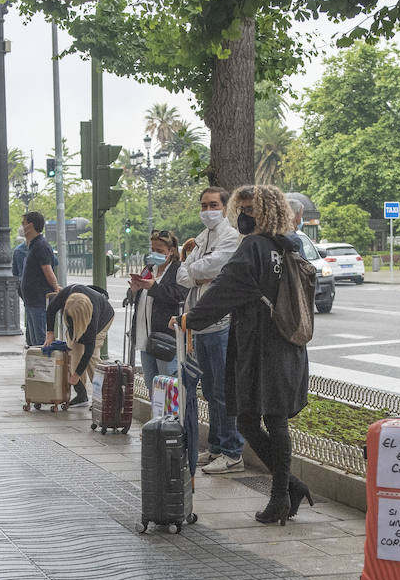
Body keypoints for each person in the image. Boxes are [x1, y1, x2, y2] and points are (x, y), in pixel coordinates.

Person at [183, 184, 313, 525]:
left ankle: (281, 496)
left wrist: (190, 318)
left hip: (261, 347)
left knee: (263, 419)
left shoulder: (254, 247)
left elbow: (225, 288)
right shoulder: (288, 248)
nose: (241, 216)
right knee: (264, 418)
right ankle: (290, 488)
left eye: (248, 210)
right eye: (240, 209)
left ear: (264, 213)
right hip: (287, 345)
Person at [176, 187, 245, 475]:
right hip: (200, 324)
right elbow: (182, 274)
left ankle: (232, 452)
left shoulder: (230, 237)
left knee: (222, 391)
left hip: (221, 323)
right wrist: (199, 275)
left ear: (225, 207)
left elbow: (218, 266)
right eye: (203, 205)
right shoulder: (202, 238)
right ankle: (216, 447)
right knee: (210, 390)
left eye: (213, 205)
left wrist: (197, 272)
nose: (207, 210)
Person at [128, 229, 186, 388]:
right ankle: (157, 412)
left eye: (160, 251)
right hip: (144, 336)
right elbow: (137, 297)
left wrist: (154, 287)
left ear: (171, 251)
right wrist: (134, 290)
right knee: (150, 382)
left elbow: (179, 296)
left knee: (167, 383)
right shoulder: (149, 269)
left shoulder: (179, 270)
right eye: (153, 250)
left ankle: (172, 414)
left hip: (165, 338)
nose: (155, 254)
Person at [44, 284, 114, 407]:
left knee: (92, 357)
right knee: (74, 353)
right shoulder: (66, 294)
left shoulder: (93, 318)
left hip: (104, 318)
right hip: (79, 315)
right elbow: (51, 309)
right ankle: (81, 395)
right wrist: (50, 333)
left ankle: (104, 396)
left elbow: (88, 351)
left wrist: (76, 375)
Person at [20, 211, 61, 347]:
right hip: (31, 301)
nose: (21, 227)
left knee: (40, 340)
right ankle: (35, 366)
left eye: (23, 224)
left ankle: (42, 366)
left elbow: (48, 271)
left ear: (30, 226)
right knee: (32, 341)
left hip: (38, 300)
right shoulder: (33, 245)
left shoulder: (41, 246)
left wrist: (55, 288)